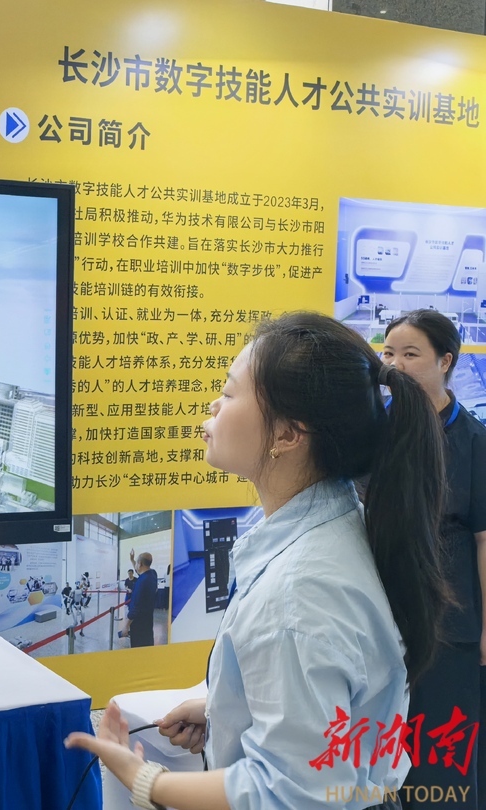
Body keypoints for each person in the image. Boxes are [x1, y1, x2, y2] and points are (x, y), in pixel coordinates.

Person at [67, 312, 448, 810]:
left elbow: (291, 793)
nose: (213, 405)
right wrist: (227, 711)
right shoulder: (340, 523)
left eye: (228, 393)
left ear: (287, 435)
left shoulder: (299, 592)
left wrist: (146, 781)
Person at [382, 309, 486, 809]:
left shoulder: (475, 440)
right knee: (380, 752)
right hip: (382, 615)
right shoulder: (375, 432)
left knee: (443, 760)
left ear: (445, 362)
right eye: (388, 353)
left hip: (451, 622)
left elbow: (484, 540)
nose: (395, 365)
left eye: (410, 354)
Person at [120, 551, 157, 646]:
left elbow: (135, 607)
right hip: (148, 620)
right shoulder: (152, 574)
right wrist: (132, 560)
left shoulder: (141, 583)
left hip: (139, 624)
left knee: (139, 645)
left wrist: (126, 625)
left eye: (136, 562)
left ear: (140, 564)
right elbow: (140, 571)